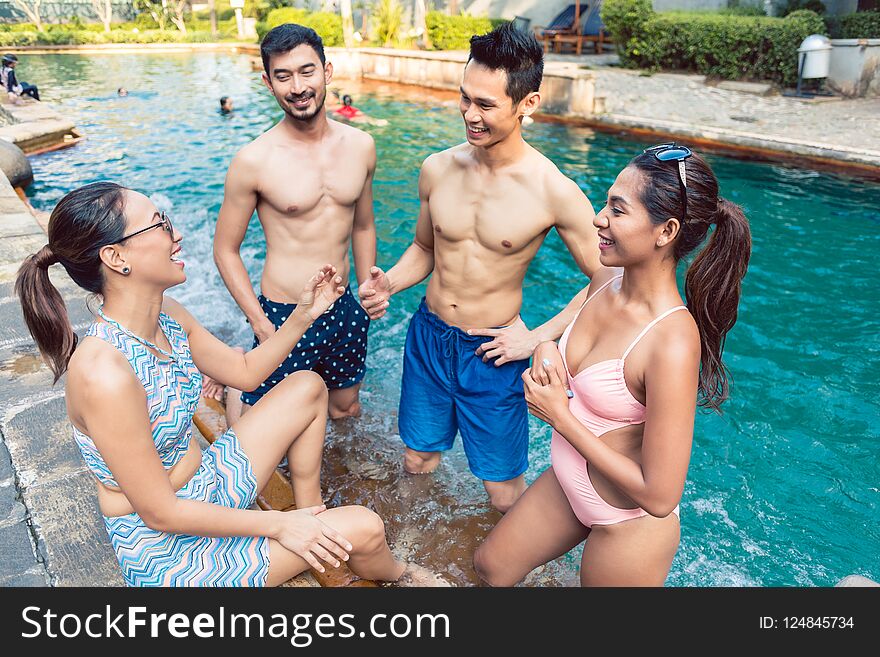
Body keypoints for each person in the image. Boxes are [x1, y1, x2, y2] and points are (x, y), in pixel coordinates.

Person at [15, 181, 444, 587]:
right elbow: (161, 513)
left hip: (204, 488)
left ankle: (312, 515)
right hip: (169, 550)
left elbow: (244, 372)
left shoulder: (168, 315)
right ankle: (399, 572)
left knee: (307, 386)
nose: (175, 233)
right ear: (115, 258)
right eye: (159, 223)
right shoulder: (104, 373)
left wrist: (304, 314)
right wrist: (278, 524)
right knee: (367, 529)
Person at [473, 144, 752, 586]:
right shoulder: (605, 280)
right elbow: (561, 341)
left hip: (628, 523)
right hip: (569, 484)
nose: (598, 219)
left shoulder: (672, 342)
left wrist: (560, 417)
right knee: (491, 568)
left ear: (666, 231)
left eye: (617, 210)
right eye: (606, 203)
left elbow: (661, 496)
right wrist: (545, 350)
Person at [358, 23, 600, 513]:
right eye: (464, 98)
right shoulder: (437, 168)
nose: (470, 114)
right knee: (418, 459)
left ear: (527, 103)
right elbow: (425, 249)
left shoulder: (553, 190)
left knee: (502, 489)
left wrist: (538, 339)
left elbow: (612, 278)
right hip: (428, 338)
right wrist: (391, 282)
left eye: (486, 105)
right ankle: (406, 549)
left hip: (494, 350)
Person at [214, 24, 377, 420]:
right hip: (282, 313)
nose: (298, 87)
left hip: (342, 308)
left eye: (307, 71)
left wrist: (368, 283)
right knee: (266, 418)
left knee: (344, 409)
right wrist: (259, 322)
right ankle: (237, 378)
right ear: (269, 83)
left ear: (327, 71)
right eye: (283, 76)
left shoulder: (361, 146)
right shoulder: (254, 160)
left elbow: (363, 225)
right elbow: (225, 249)